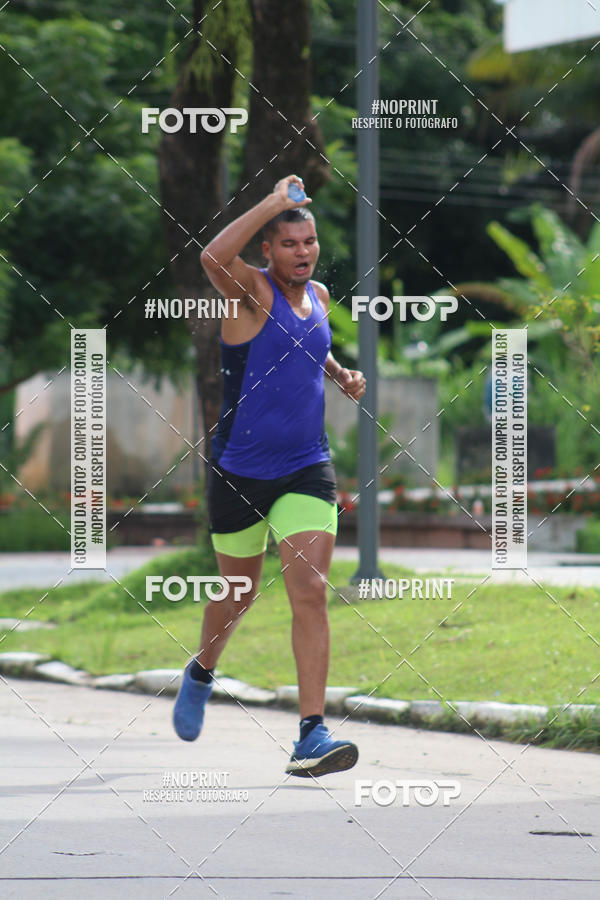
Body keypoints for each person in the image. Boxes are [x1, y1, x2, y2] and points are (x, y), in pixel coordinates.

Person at [173, 174, 366, 777]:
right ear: (267, 250)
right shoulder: (249, 292)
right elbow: (209, 255)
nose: (303, 252)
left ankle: (311, 733)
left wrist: (338, 372)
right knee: (239, 593)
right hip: (239, 471)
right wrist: (273, 203)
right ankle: (202, 670)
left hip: (307, 465)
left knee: (309, 589)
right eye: (289, 243)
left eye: (308, 242)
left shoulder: (323, 297)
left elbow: (310, 347)